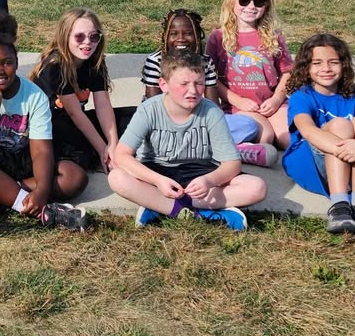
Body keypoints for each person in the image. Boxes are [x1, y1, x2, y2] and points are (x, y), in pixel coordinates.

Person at [0, 13, 89, 231]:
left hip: (23, 157)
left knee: (75, 177)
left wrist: (42, 191)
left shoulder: (33, 95)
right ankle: (41, 211)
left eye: (7, 63)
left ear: (17, 62)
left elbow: (41, 151)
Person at [109, 51, 267, 231]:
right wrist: (158, 181)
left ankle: (160, 206)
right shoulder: (148, 110)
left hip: (200, 172)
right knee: (117, 178)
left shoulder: (211, 112)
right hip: (157, 171)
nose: (193, 91)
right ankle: (200, 213)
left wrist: (209, 181)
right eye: (184, 84)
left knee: (256, 187)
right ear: (163, 84)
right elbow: (122, 155)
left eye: (199, 83)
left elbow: (232, 164)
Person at [281, 33, 355, 236]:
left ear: (344, 65)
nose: (326, 69)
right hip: (309, 164)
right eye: (317, 63)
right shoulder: (301, 97)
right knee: (340, 125)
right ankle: (339, 205)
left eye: (333, 62)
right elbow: (308, 131)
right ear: (306, 68)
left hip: (351, 165)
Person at [144, 7, 273, 166]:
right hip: (164, 124)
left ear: (198, 36)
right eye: (173, 34)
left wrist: (205, 125)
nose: (181, 39)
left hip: (198, 120)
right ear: (165, 37)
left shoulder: (206, 62)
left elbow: (214, 108)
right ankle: (230, 151)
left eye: (188, 33)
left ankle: (207, 150)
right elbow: (154, 105)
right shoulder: (155, 61)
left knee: (248, 125)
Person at [30, 7, 134, 184]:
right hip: (47, 128)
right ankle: (99, 158)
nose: (87, 43)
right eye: (79, 37)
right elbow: (75, 113)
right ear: (65, 36)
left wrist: (113, 144)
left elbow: (103, 105)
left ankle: (111, 155)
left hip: (74, 122)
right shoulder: (55, 65)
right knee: (78, 147)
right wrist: (103, 149)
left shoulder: (95, 61)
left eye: (94, 36)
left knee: (132, 116)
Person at [206, 0, 293, 152]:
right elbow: (210, 78)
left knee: (288, 139)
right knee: (265, 136)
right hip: (239, 106)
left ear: (266, 5)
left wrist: (277, 99)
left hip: (272, 103)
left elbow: (287, 72)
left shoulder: (274, 36)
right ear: (232, 2)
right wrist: (237, 100)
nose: (251, 6)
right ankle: (246, 153)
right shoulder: (218, 37)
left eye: (259, 2)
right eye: (244, 0)